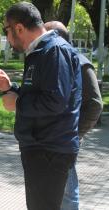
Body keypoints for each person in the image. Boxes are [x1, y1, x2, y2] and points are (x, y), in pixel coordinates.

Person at [0, 2, 82, 210]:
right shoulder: (40, 51)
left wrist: (18, 102)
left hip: (49, 150)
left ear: (19, 28)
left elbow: (55, 101)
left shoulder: (54, 50)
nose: (7, 37)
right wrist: (11, 87)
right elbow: (41, 92)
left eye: (7, 30)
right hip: (41, 148)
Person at [44, 21, 103, 210]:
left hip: (65, 139)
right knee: (55, 187)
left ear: (56, 37)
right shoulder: (55, 61)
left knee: (67, 190)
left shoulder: (80, 62)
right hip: (52, 139)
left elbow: (95, 104)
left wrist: (75, 133)